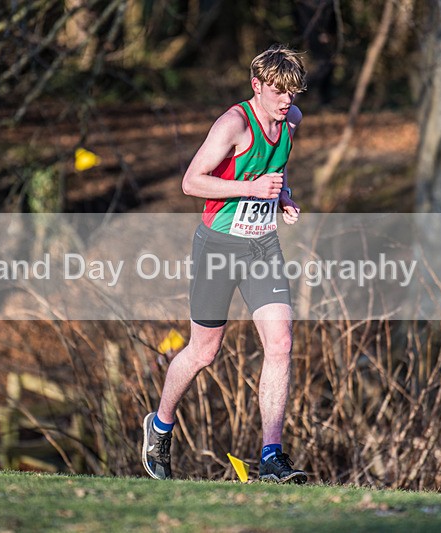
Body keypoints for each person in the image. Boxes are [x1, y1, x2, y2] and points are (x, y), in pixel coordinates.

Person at [142, 45, 308, 483]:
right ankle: (160, 427)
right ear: (257, 86)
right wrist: (252, 190)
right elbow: (191, 182)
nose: (286, 100)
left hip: (262, 247)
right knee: (204, 351)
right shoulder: (233, 124)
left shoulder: (291, 120)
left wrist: (283, 196)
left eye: (292, 91)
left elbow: (277, 167)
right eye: (278, 91)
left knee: (280, 342)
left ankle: (271, 455)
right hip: (218, 247)